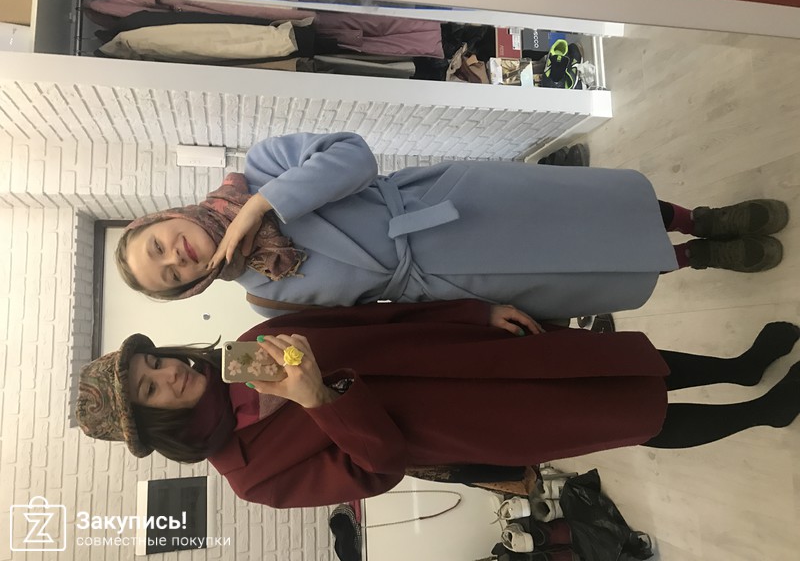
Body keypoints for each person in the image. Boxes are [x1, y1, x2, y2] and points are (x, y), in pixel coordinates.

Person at [76, 299, 800, 509]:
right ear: (154, 425)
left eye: (154, 360)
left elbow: (376, 318)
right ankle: (762, 411)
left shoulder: (257, 343)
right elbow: (379, 468)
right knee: (629, 416)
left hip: (470, 357)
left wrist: (472, 313)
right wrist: (318, 399)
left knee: (613, 361)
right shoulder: (252, 476)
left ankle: (740, 367)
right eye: (150, 388)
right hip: (478, 423)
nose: (169, 373)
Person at [115, 132, 788, 319]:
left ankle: (700, 219)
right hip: (449, 281)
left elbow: (354, 157)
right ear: (186, 289)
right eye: (169, 274)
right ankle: (699, 259)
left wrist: (261, 207)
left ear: (165, 218)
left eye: (158, 245)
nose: (176, 256)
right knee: (585, 269)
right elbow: (375, 321)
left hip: (448, 204)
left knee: (583, 209)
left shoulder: (263, 167)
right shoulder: (266, 299)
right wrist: (474, 317)